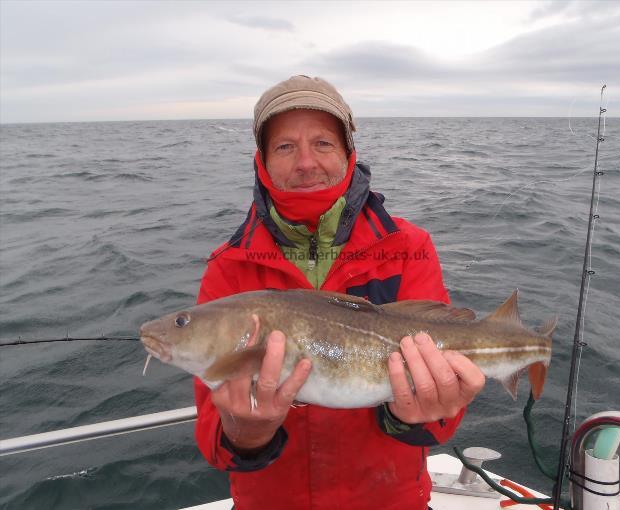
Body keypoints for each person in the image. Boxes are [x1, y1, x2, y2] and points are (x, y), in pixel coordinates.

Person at [194, 75, 485, 509]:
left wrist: (428, 409)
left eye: (324, 144)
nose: (306, 162)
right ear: (262, 162)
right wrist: (245, 432)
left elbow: (440, 419)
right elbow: (215, 434)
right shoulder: (228, 266)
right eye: (285, 146)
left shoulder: (408, 248)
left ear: (350, 153)